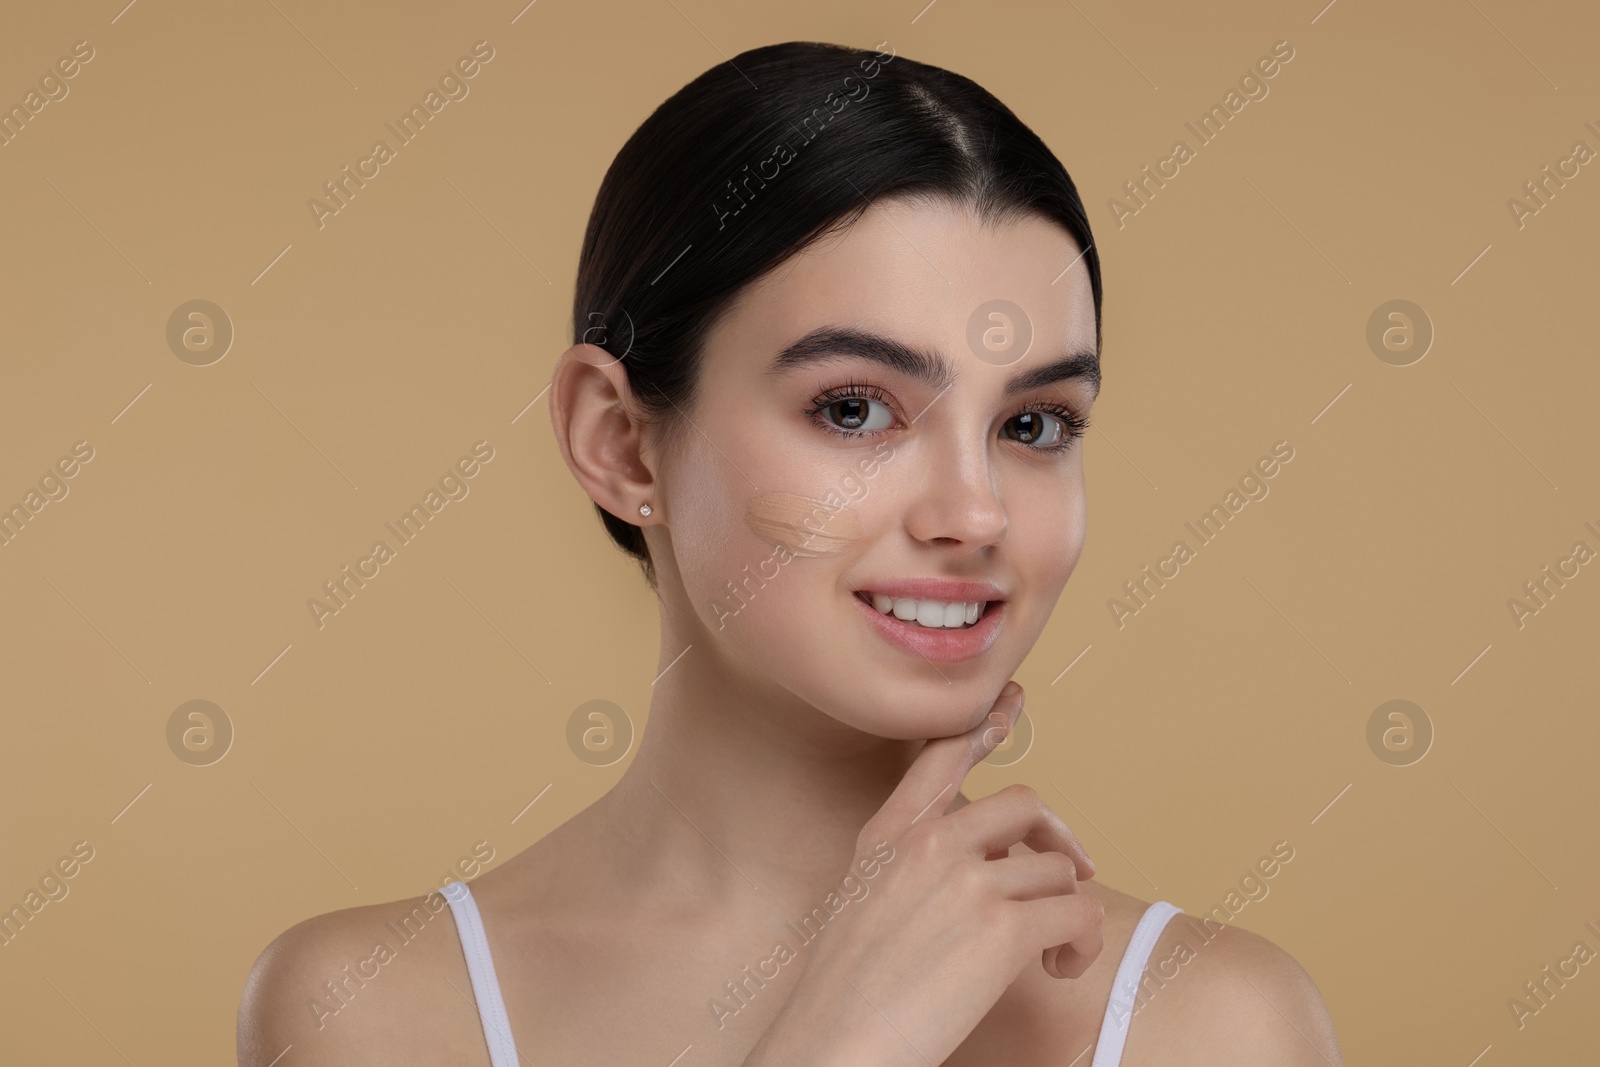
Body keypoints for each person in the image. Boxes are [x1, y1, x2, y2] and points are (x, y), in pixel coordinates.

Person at [237, 40, 1343, 1066]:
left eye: (1034, 424)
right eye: (856, 409)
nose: (977, 512)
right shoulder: (370, 1008)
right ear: (618, 441)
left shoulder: (1207, 1020)